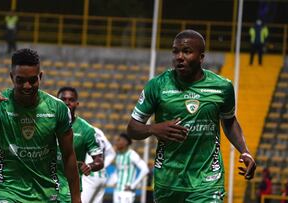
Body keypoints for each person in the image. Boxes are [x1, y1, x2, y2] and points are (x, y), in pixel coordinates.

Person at [127, 29, 256, 203]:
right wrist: (153, 128)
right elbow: (132, 128)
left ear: (201, 57)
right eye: (175, 51)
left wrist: (245, 151)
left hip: (207, 181)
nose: (179, 57)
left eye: (186, 51)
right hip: (168, 180)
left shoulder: (222, 87)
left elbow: (230, 122)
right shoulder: (157, 86)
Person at [0, 48, 81, 203]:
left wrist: (76, 199)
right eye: (20, 80)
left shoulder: (57, 109)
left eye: (32, 80)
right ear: (12, 77)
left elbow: (69, 155)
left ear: (40, 77)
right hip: (5, 190)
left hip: (45, 193)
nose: (27, 86)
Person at [57, 86, 104, 203]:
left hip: (69, 188)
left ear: (77, 103)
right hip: (44, 184)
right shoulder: (47, 124)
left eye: (71, 100)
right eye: (63, 99)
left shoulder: (86, 129)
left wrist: (90, 166)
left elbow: (99, 160)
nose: (67, 103)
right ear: (56, 102)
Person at [81, 127, 116, 203]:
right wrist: (101, 165)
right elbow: (112, 153)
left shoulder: (82, 129)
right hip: (102, 176)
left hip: (89, 175)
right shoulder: (98, 132)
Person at [112, 133, 149, 203]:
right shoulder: (118, 154)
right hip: (117, 191)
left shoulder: (132, 154)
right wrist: (115, 180)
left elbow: (145, 169)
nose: (117, 142)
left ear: (125, 142)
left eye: (119, 140)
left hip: (127, 192)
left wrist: (133, 185)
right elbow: (117, 170)